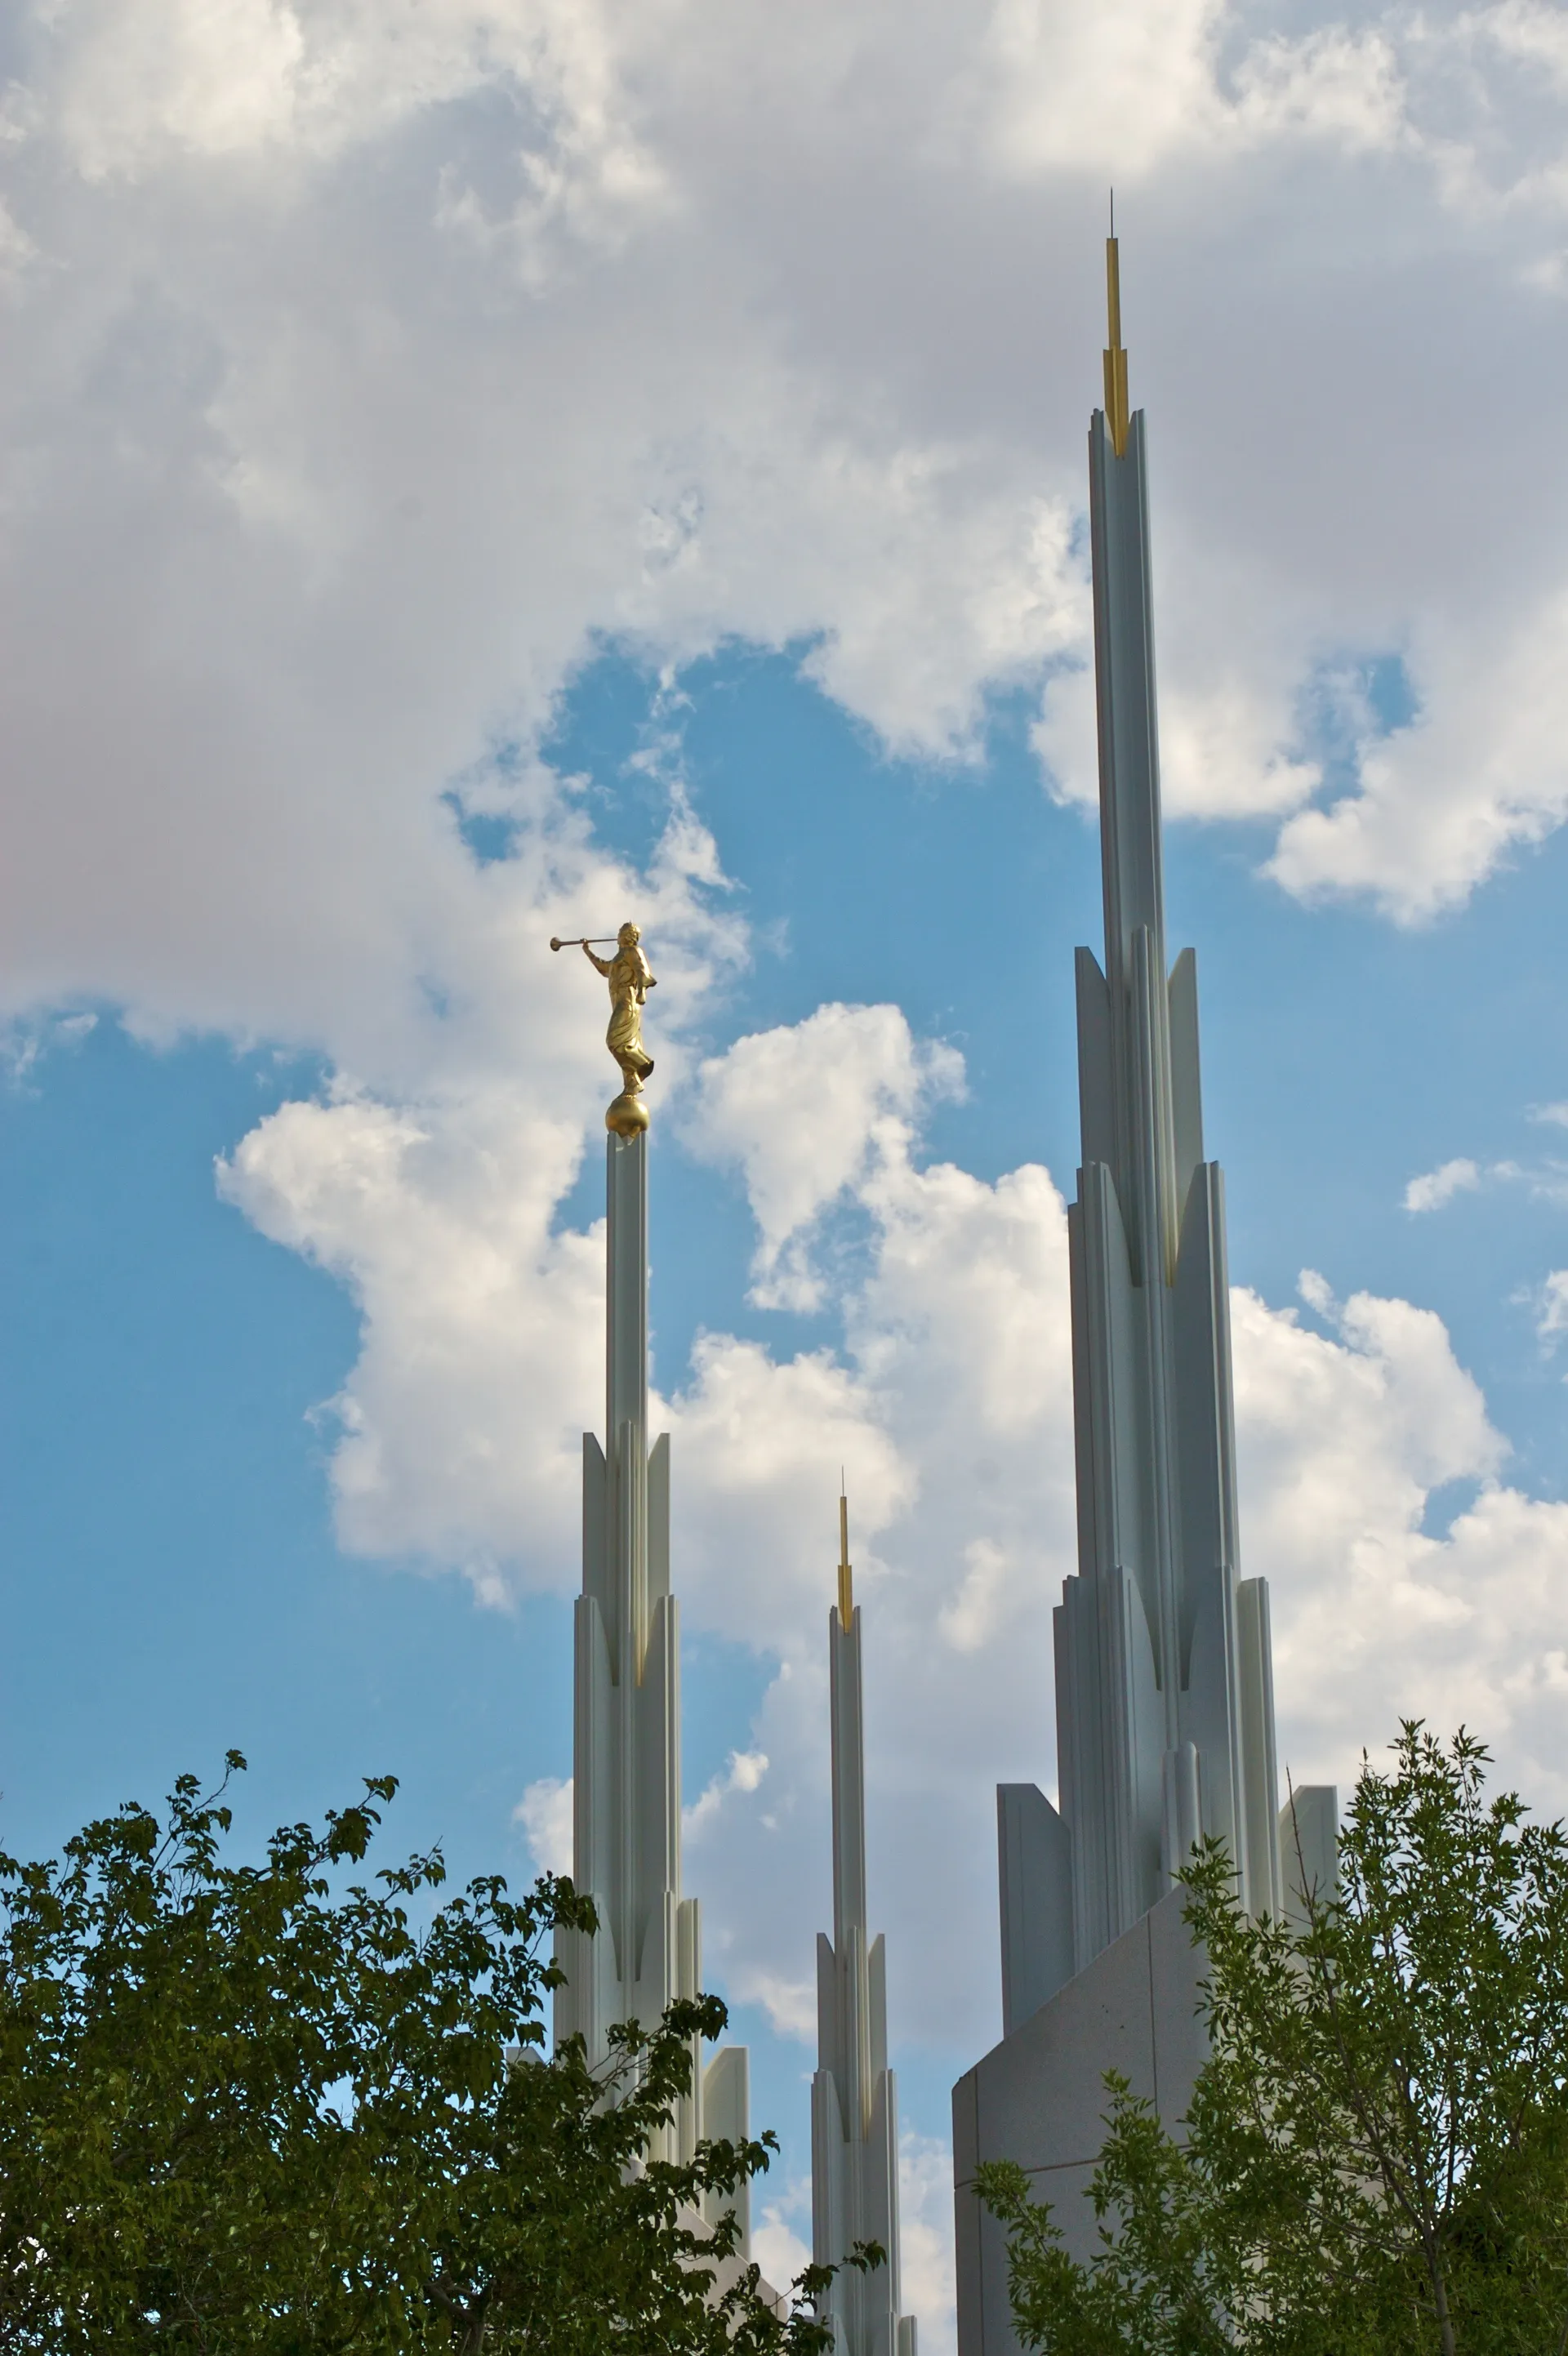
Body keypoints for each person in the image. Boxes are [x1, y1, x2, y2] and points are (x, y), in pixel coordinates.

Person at [583, 922, 657, 1093]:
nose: (618, 935)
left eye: (620, 932)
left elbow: (642, 970)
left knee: (615, 1040)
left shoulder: (632, 951)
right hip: (618, 1002)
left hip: (628, 1001)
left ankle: (642, 1063)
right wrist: (588, 952)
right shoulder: (619, 957)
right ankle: (632, 1081)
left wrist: (642, 992)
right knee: (622, 1042)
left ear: (628, 935)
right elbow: (605, 968)